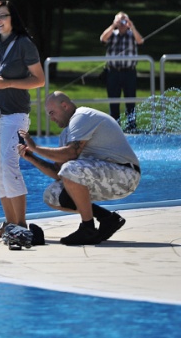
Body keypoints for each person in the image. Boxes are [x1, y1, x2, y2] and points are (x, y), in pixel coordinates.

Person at [18, 91, 141, 246]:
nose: (51, 118)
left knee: (71, 168)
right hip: (107, 177)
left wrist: (35, 148)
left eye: (52, 112)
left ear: (65, 106)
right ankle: (107, 218)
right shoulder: (65, 134)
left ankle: (87, 228)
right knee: (53, 195)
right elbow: (59, 174)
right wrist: (31, 157)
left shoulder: (82, 116)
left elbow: (71, 154)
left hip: (126, 175)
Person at [0, 0, 45, 239]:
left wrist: (7, 82)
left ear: (12, 18)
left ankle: (21, 224)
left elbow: (39, 80)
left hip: (15, 114)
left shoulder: (24, 44)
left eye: (3, 16)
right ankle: (8, 223)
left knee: (9, 164)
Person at [99, 12, 144, 132]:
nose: (122, 24)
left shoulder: (131, 34)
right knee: (114, 102)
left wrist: (132, 26)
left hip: (129, 72)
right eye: (120, 21)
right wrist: (113, 26)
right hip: (113, 72)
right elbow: (102, 39)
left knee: (130, 101)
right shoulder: (112, 34)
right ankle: (115, 128)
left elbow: (140, 41)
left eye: (124, 21)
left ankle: (131, 127)